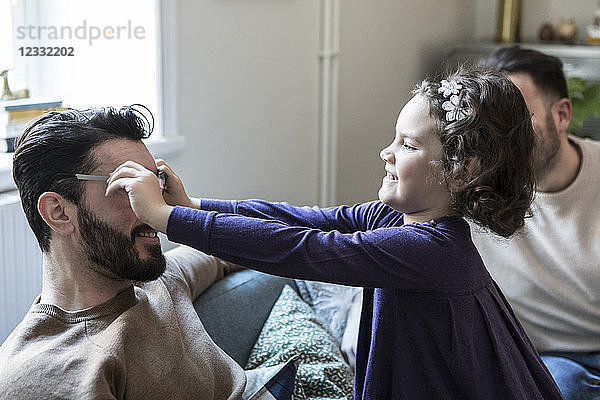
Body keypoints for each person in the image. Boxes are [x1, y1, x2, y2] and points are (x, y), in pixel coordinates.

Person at [107, 67, 564, 399]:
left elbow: (300, 250)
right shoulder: (397, 220)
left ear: (462, 170)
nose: (386, 151)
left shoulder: (430, 251)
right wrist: (196, 206)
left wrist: (169, 220)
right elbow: (299, 221)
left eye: (407, 145)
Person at [0, 106, 247, 399]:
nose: (154, 207)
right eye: (130, 185)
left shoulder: (157, 278)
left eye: (155, 183)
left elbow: (236, 248)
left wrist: (188, 213)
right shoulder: (42, 375)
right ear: (59, 213)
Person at [471, 45, 600, 400]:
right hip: (531, 357)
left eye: (518, 117)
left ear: (561, 114)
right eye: (492, 121)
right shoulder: (471, 187)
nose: (503, 137)